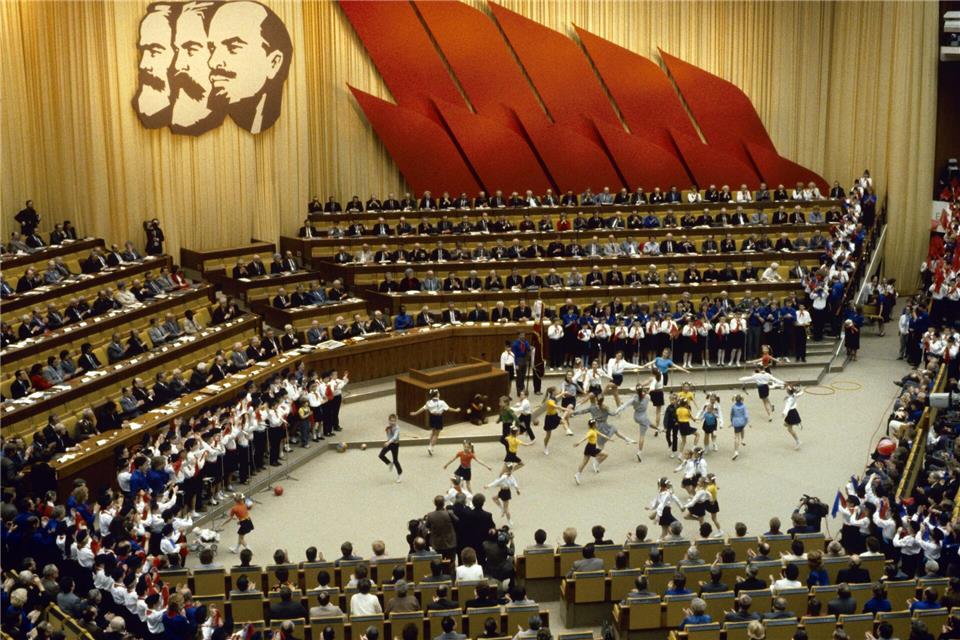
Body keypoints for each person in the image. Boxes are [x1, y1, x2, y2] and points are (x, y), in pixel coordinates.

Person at [410, 389, 460, 456]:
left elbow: (423, 409)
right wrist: (456, 410)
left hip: (432, 417)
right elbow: (449, 409)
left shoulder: (428, 402)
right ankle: (431, 447)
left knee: (433, 431)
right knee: (436, 434)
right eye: (439, 393)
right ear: (437, 394)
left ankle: (430, 444)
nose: (439, 394)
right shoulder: (442, 402)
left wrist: (415, 413)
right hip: (438, 418)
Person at [573, 420, 608, 485]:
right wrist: (579, 442)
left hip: (592, 447)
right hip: (590, 448)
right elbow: (585, 438)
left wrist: (608, 438)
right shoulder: (591, 432)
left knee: (605, 454)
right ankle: (577, 474)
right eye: (596, 424)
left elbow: (601, 434)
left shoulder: (594, 430)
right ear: (593, 425)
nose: (597, 424)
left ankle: (596, 463)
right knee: (584, 462)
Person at [378, 413, 402, 483]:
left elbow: (394, 437)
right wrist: (388, 442)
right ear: (389, 420)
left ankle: (399, 474)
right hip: (389, 443)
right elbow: (389, 436)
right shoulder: (388, 427)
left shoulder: (397, 428)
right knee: (381, 455)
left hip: (395, 445)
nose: (392, 422)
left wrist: (388, 442)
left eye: (394, 421)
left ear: (396, 421)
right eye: (391, 421)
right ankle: (389, 463)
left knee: (395, 460)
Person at [781, 385, 804, 450]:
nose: (786, 390)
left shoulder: (789, 399)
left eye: (787, 390)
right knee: (785, 424)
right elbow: (801, 393)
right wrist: (800, 390)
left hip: (790, 413)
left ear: (788, 392)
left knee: (789, 429)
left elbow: (787, 407)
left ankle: (798, 441)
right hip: (794, 411)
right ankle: (797, 423)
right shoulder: (794, 395)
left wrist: (784, 413)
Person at [730, 394, 749, 460]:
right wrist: (747, 422)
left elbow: (731, 415)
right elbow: (746, 415)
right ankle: (743, 439)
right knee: (742, 429)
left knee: (736, 437)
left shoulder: (733, 407)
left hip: (736, 422)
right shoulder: (744, 406)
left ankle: (736, 451)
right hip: (742, 421)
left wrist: (731, 422)